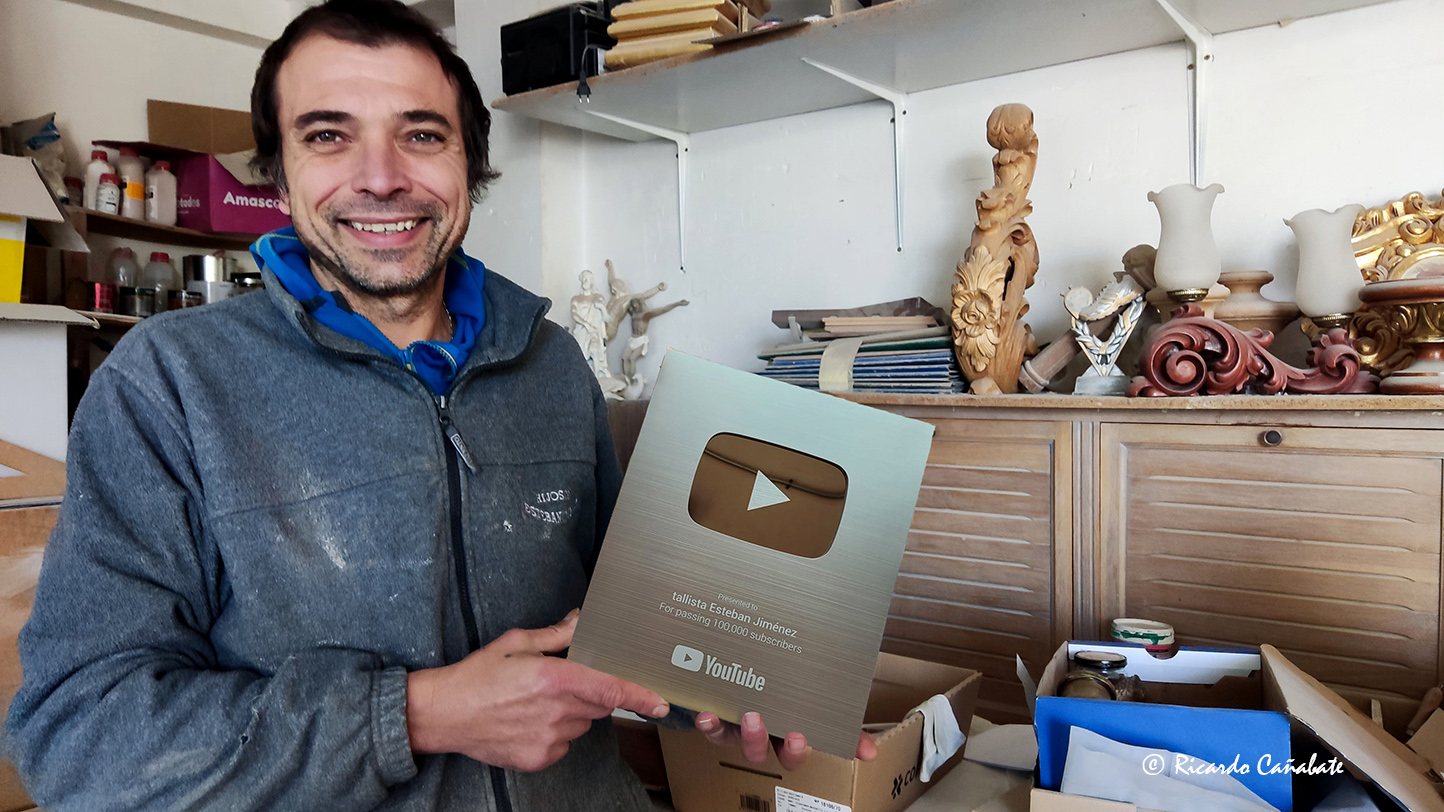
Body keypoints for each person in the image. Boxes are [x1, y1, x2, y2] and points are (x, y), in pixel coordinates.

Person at [6, 1, 871, 810]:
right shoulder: (169, 384)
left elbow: (628, 627)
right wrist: (416, 715)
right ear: (278, 174)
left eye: (421, 134)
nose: (381, 178)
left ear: (471, 165)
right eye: (328, 136)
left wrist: (742, 684)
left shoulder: (550, 360)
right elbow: (75, 736)